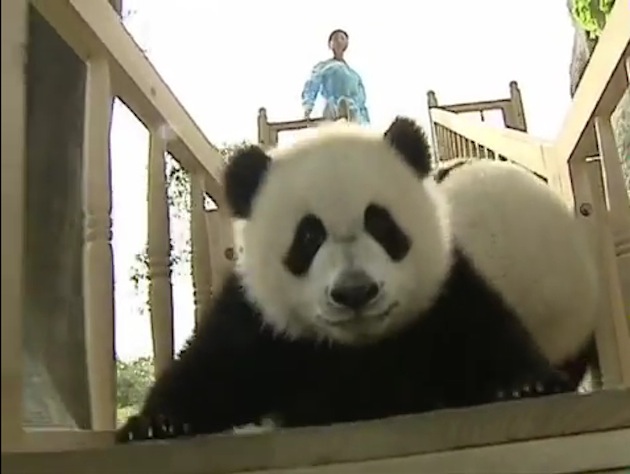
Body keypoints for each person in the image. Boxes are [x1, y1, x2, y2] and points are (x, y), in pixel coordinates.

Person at [301, 29, 370, 124]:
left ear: (346, 44)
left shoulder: (354, 75)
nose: (339, 41)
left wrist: (365, 123)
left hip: (353, 114)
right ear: (330, 44)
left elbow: (361, 102)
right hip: (332, 109)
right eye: (335, 39)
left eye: (342, 38)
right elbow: (311, 86)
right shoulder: (323, 67)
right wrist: (308, 108)